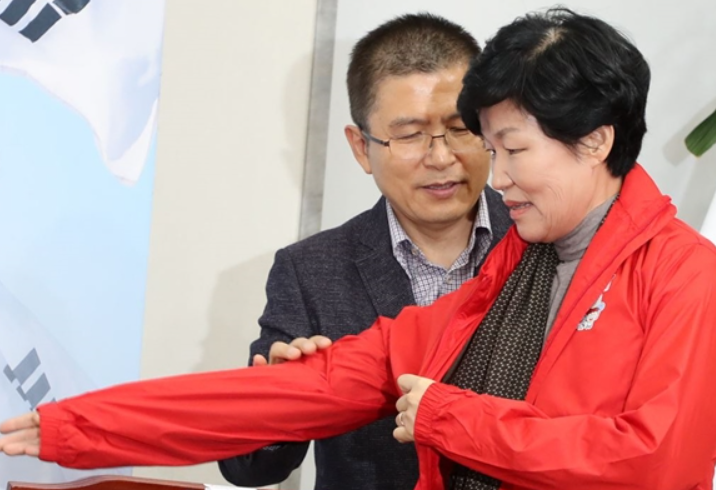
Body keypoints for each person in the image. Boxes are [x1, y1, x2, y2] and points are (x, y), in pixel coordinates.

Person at [4, 7, 716, 490]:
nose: (493, 176)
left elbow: (651, 461)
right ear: (363, 145)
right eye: (492, 148)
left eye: (511, 149)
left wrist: (447, 416)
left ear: (595, 141)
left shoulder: (684, 274)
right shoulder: (509, 277)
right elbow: (293, 396)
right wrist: (72, 426)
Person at [218, 13, 510, 490]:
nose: (441, 157)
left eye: (461, 128)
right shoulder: (311, 270)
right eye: (410, 135)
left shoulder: (544, 245)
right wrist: (278, 400)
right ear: (360, 148)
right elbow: (248, 469)